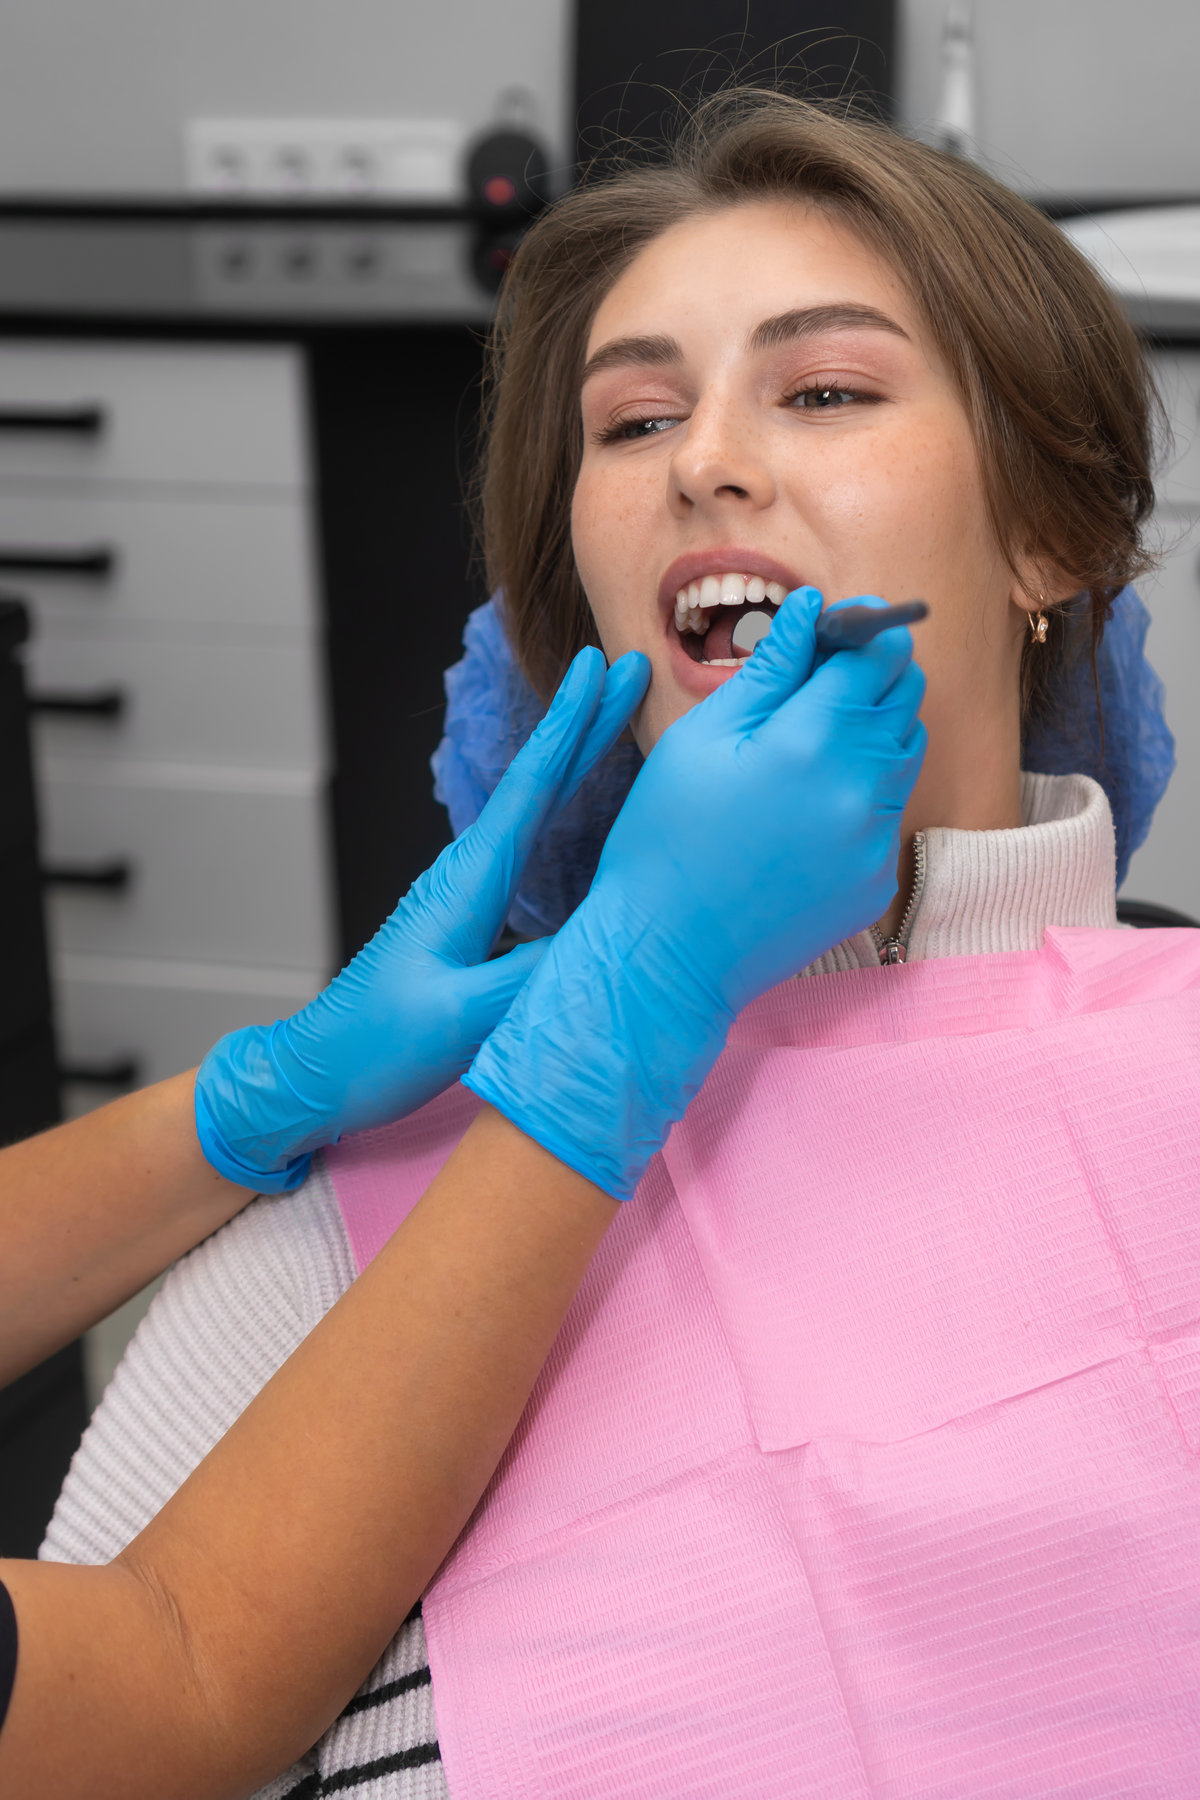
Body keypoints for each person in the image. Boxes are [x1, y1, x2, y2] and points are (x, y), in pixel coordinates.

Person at [32, 88, 1200, 1798]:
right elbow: (137, 1684)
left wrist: (230, 1101)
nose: (710, 458)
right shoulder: (347, 1222)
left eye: (822, 390)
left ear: (1052, 538)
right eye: (632, 422)